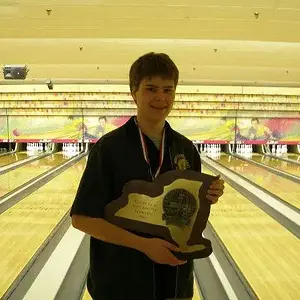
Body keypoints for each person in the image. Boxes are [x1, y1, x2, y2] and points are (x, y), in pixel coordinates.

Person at [70, 52, 225, 300]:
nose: (161, 98)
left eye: (168, 90)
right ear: (134, 92)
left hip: (174, 283)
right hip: (119, 283)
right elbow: (81, 218)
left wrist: (208, 195)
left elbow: (187, 212)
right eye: (151, 89)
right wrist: (144, 245)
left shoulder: (185, 149)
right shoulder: (108, 149)